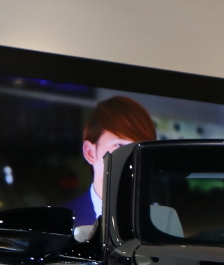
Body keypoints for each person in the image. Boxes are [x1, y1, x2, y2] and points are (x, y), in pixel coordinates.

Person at [63, 96, 157, 227]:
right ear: (90, 152)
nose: (133, 158)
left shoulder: (163, 221)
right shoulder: (62, 222)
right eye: (119, 146)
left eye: (140, 149)